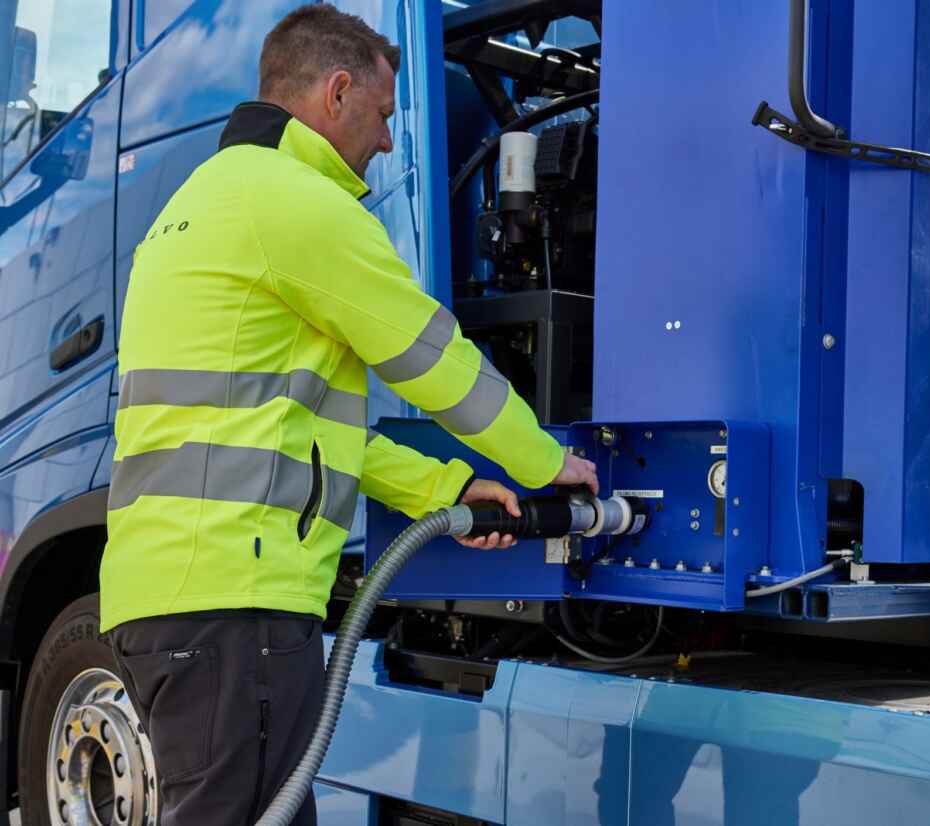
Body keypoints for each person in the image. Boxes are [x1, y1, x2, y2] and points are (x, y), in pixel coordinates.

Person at [98, 5, 597, 824]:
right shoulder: (298, 204)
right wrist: (546, 462)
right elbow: (433, 359)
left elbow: (302, 435)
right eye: (382, 113)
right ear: (336, 92)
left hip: (172, 598)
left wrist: (445, 489)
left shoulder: (201, 202)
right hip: (236, 604)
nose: (390, 141)